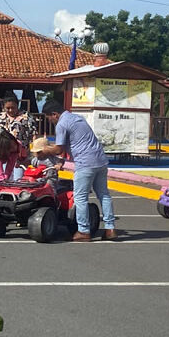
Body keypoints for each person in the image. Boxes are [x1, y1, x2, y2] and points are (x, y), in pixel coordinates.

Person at [40, 100, 117, 241]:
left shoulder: (61, 124)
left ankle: (83, 230)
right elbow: (72, 143)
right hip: (100, 160)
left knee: (80, 197)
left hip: (85, 163)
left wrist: (45, 150)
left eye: (49, 118)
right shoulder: (77, 118)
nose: (50, 121)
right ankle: (110, 228)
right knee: (104, 194)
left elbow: (58, 149)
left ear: (54, 114)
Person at [0, 95, 35, 179]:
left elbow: (33, 136)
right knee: (4, 180)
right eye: (7, 108)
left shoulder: (26, 118)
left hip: (20, 157)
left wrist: (33, 155)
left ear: (17, 105)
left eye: (13, 107)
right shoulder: (0, 119)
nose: (10, 110)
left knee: (18, 181)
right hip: (4, 156)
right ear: (3, 107)